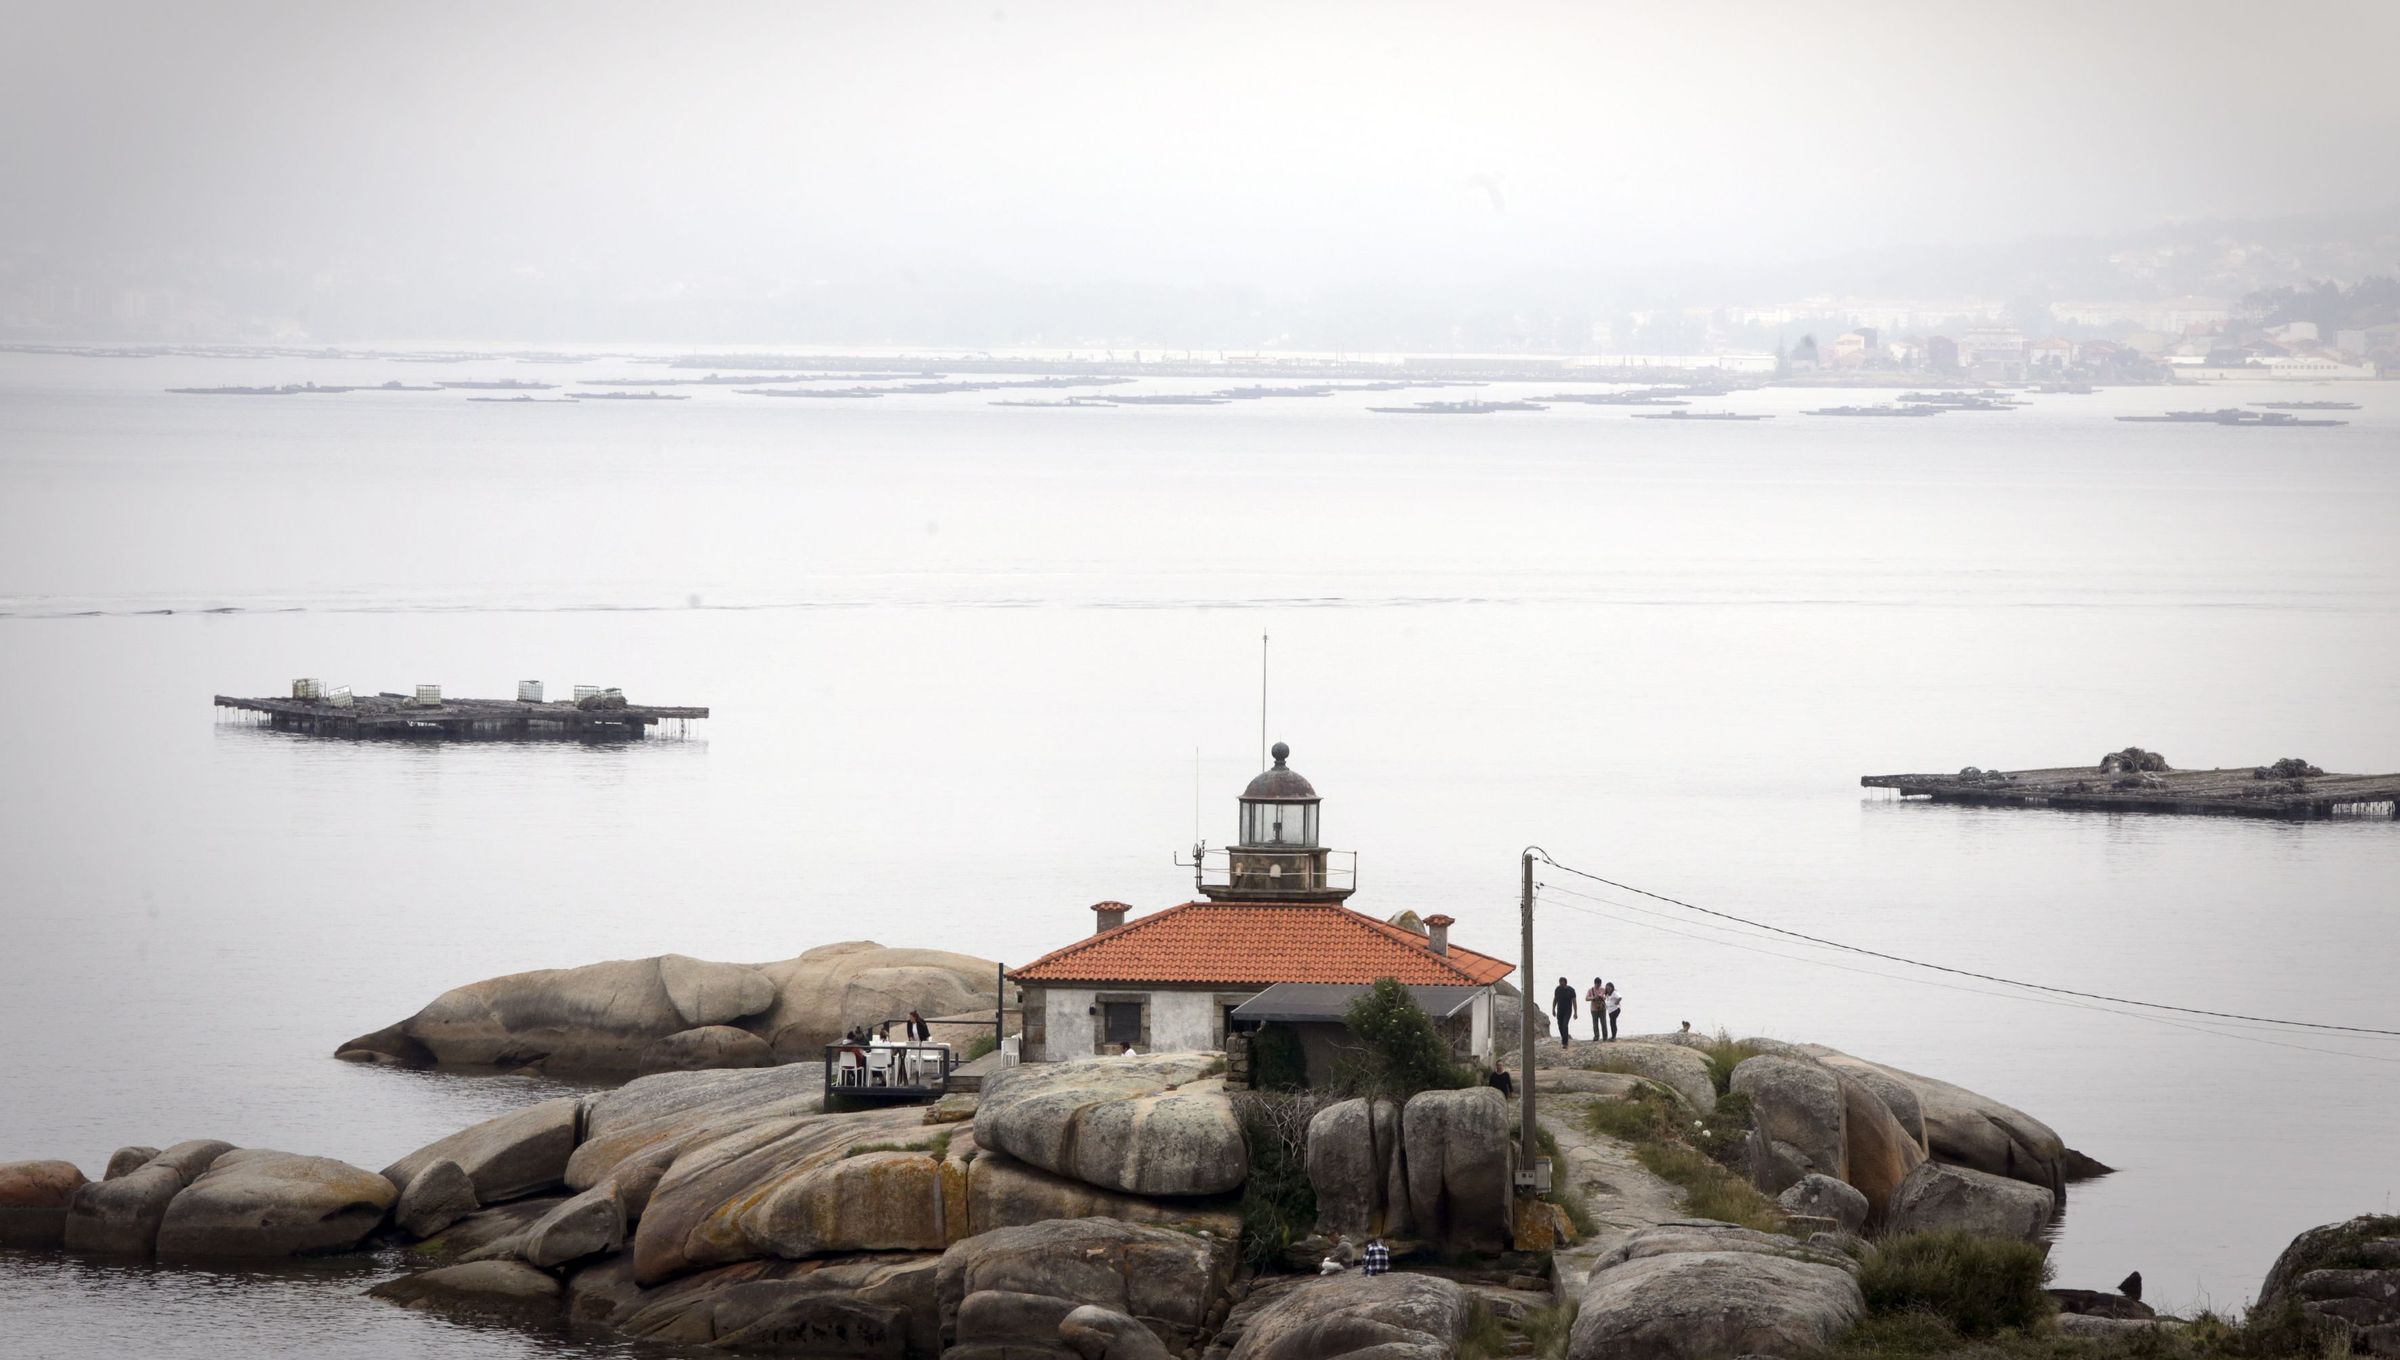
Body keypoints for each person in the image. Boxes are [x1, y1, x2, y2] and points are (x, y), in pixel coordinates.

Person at [1551, 976, 1577, 1047]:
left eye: (1562, 982)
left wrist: (1575, 1012)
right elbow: (1555, 1000)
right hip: (1559, 1010)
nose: (1560, 984)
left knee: (1565, 1025)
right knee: (1560, 1026)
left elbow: (1574, 1001)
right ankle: (1564, 1038)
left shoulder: (1571, 990)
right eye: (1559, 982)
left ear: (1565, 982)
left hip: (1568, 1011)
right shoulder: (1557, 989)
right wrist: (1553, 1009)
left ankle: (1565, 1043)